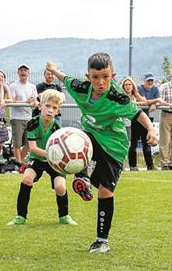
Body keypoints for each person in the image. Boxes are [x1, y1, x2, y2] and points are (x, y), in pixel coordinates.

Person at [46, 54, 158, 253]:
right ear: (88, 76)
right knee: (76, 140)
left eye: (106, 77)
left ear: (112, 76)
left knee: (105, 191)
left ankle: (101, 241)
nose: (101, 82)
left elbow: (139, 114)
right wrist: (53, 70)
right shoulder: (81, 89)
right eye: (96, 77)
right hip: (89, 137)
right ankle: (83, 177)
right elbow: (65, 79)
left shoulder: (118, 97)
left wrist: (150, 129)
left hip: (114, 145)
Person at [6, 89, 76, 226]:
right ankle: (20, 216)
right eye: (47, 106)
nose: (50, 110)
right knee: (27, 179)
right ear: (40, 106)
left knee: (60, 188)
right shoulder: (32, 123)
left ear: (58, 111)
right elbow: (32, 148)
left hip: (54, 161)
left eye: (54, 108)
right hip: (37, 158)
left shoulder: (57, 126)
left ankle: (64, 216)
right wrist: (50, 154)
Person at [8, 64, 38, 168]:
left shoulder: (32, 86)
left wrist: (34, 101)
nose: (23, 72)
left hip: (28, 117)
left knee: (29, 143)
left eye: (25, 70)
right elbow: (12, 100)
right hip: (17, 117)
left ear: (28, 73)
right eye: (21, 70)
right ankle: (19, 164)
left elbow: (36, 100)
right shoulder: (13, 86)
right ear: (18, 72)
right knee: (17, 143)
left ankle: (18, 163)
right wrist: (26, 101)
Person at [134, 73, 164, 171]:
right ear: (144, 81)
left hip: (146, 118)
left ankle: (150, 165)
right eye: (148, 80)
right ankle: (133, 166)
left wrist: (156, 103)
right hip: (135, 117)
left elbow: (160, 101)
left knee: (147, 142)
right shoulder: (139, 88)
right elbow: (144, 101)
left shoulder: (155, 89)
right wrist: (155, 101)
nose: (150, 82)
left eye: (152, 80)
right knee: (133, 143)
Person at [121, 76, 147, 171]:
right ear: (123, 86)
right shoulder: (121, 95)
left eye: (129, 84)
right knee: (121, 144)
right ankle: (121, 165)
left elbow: (144, 102)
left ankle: (127, 165)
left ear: (133, 86)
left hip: (130, 124)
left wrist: (136, 101)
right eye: (126, 85)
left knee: (128, 144)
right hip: (121, 123)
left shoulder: (134, 96)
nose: (128, 86)